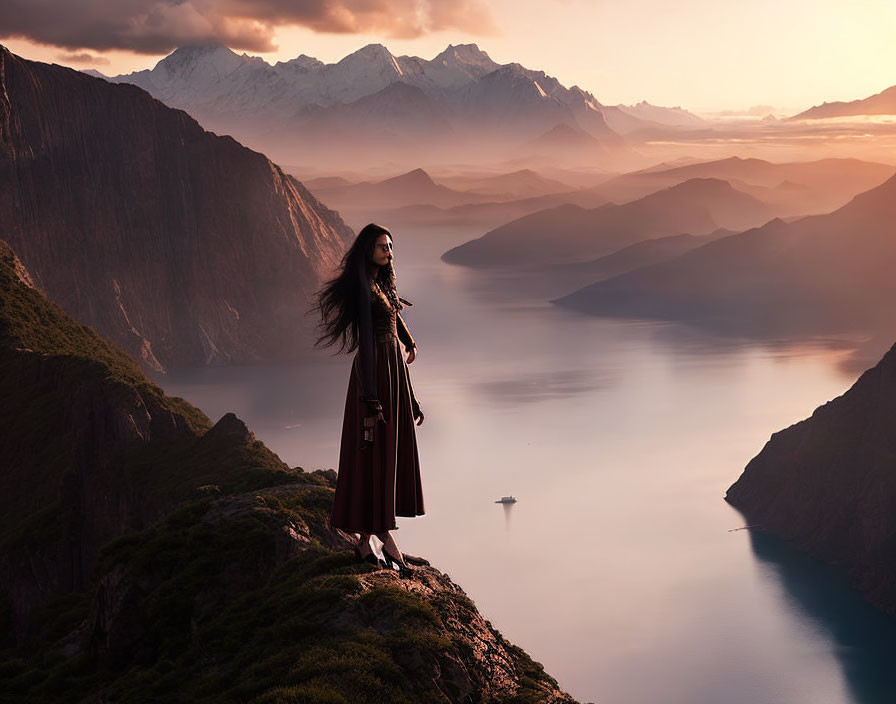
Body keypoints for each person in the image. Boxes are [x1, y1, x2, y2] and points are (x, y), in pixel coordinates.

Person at [312, 223, 425, 578]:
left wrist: (409, 342)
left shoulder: (382, 283)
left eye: (390, 246)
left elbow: (393, 313)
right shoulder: (363, 286)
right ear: (367, 249)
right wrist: (370, 395)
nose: (388, 251)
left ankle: (366, 540)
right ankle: (381, 537)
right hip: (374, 370)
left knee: (382, 453)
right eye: (381, 246)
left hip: (391, 368)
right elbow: (365, 339)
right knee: (372, 452)